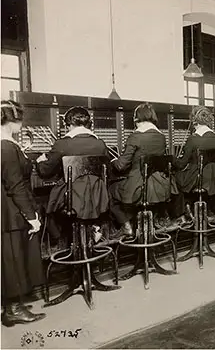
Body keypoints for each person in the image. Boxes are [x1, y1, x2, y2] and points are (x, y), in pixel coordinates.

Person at [1, 100, 46, 326]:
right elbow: (16, 186)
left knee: (10, 259)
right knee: (13, 260)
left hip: (6, 211)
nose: (22, 125)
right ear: (12, 121)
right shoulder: (6, 147)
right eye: (20, 120)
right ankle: (13, 310)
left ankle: (13, 305)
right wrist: (32, 217)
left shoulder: (7, 145)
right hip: (10, 213)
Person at [37, 106, 110, 239]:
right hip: (97, 196)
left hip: (73, 198)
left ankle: (60, 241)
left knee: (45, 206)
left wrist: (40, 161)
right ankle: (93, 229)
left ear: (69, 125)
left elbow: (45, 171)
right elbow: (107, 170)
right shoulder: (100, 144)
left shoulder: (62, 144)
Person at [110, 103, 181, 235]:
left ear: (137, 119)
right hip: (158, 187)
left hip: (138, 187)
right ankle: (153, 221)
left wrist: (113, 160)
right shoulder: (161, 137)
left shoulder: (135, 136)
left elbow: (121, 165)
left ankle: (126, 224)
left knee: (111, 191)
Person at [174, 106, 215, 215]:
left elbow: (182, 164)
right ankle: (206, 208)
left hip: (197, 178)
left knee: (175, 178)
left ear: (194, 121)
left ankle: (182, 212)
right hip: (213, 179)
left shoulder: (193, 139)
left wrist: (172, 160)